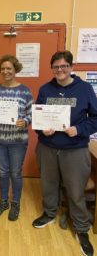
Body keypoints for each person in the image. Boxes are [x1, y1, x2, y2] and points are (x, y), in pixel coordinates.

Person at [32, 50, 97, 256]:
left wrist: (79, 129)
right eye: (56, 67)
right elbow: (37, 117)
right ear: (52, 69)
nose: (59, 70)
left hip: (74, 149)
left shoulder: (85, 89)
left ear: (71, 67)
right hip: (48, 147)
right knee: (48, 185)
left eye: (63, 66)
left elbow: (95, 118)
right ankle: (50, 213)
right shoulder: (45, 89)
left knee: (76, 190)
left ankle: (81, 228)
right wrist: (41, 129)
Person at [0, 55, 33, 221]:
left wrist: (24, 121)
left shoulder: (25, 91)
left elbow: (32, 114)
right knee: (3, 172)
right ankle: (4, 201)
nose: (6, 71)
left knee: (15, 173)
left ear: (15, 69)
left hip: (17, 140)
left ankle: (15, 202)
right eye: (3, 68)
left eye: (9, 68)